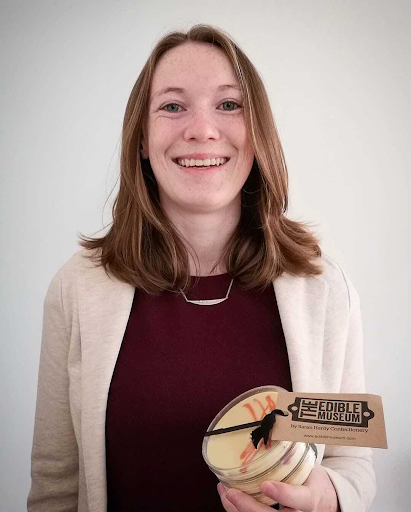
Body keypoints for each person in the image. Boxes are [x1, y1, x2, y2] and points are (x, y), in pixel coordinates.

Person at [27, 24, 376, 512]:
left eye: (229, 104)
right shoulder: (79, 286)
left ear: (258, 136)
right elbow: (55, 484)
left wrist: (328, 498)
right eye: (172, 105)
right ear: (142, 141)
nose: (202, 129)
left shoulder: (322, 288)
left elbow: (351, 461)